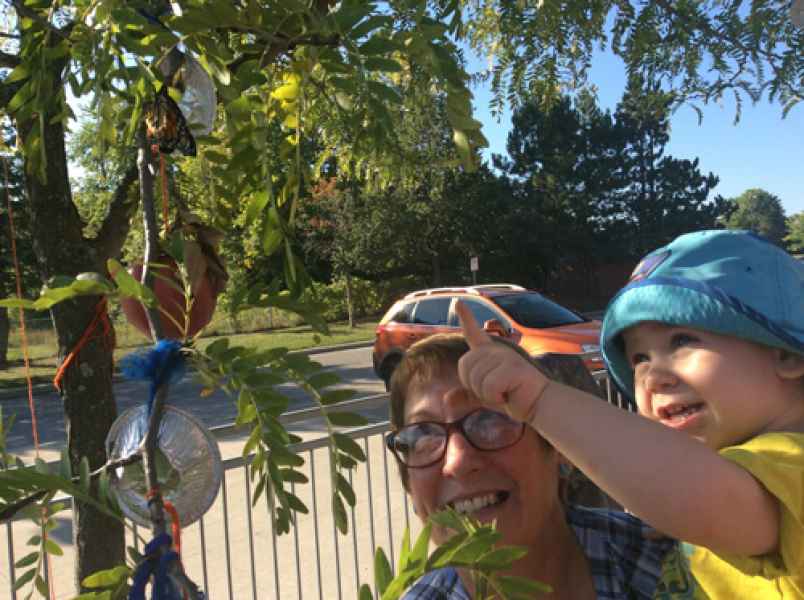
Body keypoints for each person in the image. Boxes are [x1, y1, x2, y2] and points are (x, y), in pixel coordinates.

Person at [453, 229, 804, 598]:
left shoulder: (790, 464)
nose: (653, 376)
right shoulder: (717, 479)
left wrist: (540, 401)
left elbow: (707, 496)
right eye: (639, 358)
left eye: (681, 340)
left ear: (786, 354)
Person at [385, 333, 679, 599]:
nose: (457, 462)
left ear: (557, 446)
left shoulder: (668, 565)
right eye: (422, 435)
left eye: (490, 420)